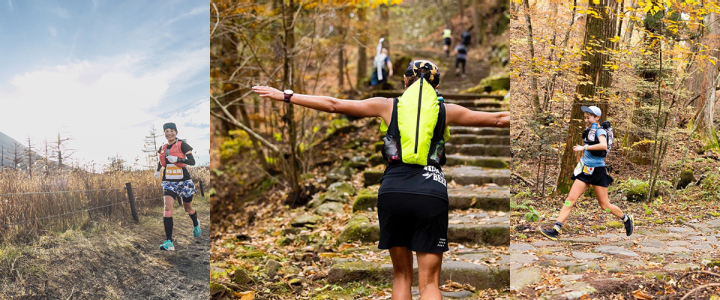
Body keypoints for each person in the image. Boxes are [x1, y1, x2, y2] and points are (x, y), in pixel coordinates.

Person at [252, 60, 510, 300]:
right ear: (437, 86)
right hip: (431, 190)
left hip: (393, 191)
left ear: (405, 82)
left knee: (401, 275)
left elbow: (334, 104)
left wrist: (287, 95)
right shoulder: (447, 110)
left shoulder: (387, 105)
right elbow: (499, 119)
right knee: (430, 282)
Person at [539, 106, 633, 241]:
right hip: (585, 171)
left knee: (604, 206)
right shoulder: (589, 131)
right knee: (569, 201)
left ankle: (625, 218)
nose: (586, 119)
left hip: (598, 172)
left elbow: (603, 145)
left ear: (597, 118)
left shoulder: (600, 131)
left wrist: (584, 147)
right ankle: (555, 229)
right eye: (585, 117)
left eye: (589, 117)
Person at [156, 122, 201, 251]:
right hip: (169, 181)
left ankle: (195, 222)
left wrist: (178, 160)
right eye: (166, 131)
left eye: (171, 131)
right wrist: (158, 170)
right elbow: (161, 161)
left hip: (184, 181)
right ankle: (169, 241)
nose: (169, 133)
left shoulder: (183, 145)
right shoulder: (162, 147)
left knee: (188, 208)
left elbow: (192, 161)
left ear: (176, 132)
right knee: (167, 208)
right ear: (164, 133)